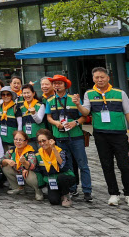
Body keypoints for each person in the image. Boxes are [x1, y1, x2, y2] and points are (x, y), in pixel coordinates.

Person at [81, 67, 129, 207]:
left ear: (108, 77)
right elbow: (85, 111)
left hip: (119, 134)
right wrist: (78, 104)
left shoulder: (120, 93)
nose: (99, 80)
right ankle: (113, 193)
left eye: (102, 77)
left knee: (124, 166)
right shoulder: (89, 94)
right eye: (96, 78)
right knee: (107, 165)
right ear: (93, 79)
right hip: (101, 135)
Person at [45, 74, 91, 202]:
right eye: (55, 83)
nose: (57, 85)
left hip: (76, 137)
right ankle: (72, 188)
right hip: (59, 137)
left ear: (65, 85)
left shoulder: (74, 99)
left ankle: (87, 191)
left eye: (59, 83)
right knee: (67, 165)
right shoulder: (49, 101)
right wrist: (56, 123)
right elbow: (48, 117)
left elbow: (84, 116)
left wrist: (74, 123)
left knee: (83, 165)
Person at [34, 129, 76, 207]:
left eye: (44, 141)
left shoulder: (60, 151)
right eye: (40, 142)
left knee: (61, 178)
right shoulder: (38, 153)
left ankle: (66, 196)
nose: (42, 143)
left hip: (65, 177)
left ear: (50, 140)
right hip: (52, 181)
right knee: (54, 201)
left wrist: (53, 148)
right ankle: (60, 193)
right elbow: (38, 170)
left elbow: (62, 164)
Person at [0, 130, 42, 200]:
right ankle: (18, 188)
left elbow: (32, 165)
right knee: (6, 167)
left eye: (21, 140)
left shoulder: (30, 152)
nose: (18, 142)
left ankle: (38, 191)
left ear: (26, 142)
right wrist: (7, 160)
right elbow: (0, 161)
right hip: (18, 172)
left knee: (29, 175)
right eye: (16, 139)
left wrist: (24, 162)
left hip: (29, 173)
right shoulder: (12, 150)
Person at [0, 86, 21, 151]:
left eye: (8, 94)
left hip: (12, 139)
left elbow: (20, 124)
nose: (5, 96)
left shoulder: (15, 108)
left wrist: (18, 137)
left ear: (11, 96)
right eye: (3, 94)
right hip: (1, 139)